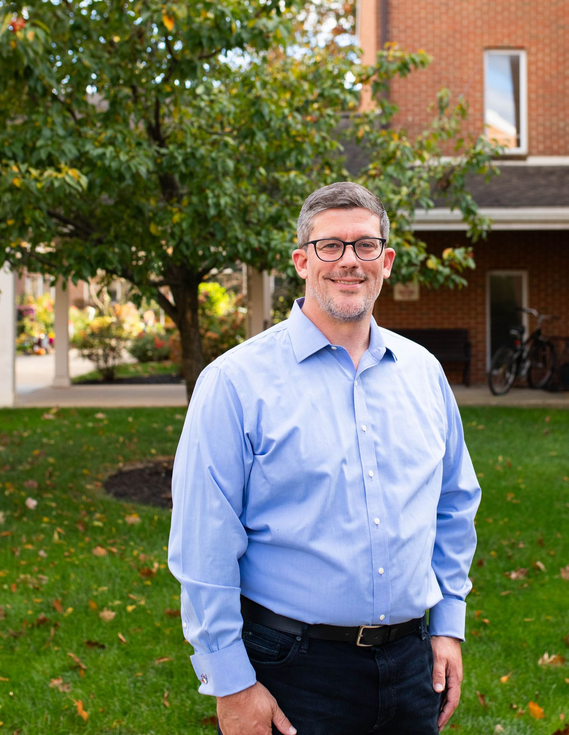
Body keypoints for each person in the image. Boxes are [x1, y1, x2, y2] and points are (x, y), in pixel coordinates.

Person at [168, 182, 481, 735]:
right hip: (292, 672)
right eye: (329, 246)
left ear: (385, 261)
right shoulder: (235, 383)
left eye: (364, 246)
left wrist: (448, 624)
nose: (348, 262)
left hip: (412, 666)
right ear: (301, 261)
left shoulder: (424, 374)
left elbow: (454, 504)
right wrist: (232, 683)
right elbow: (203, 546)